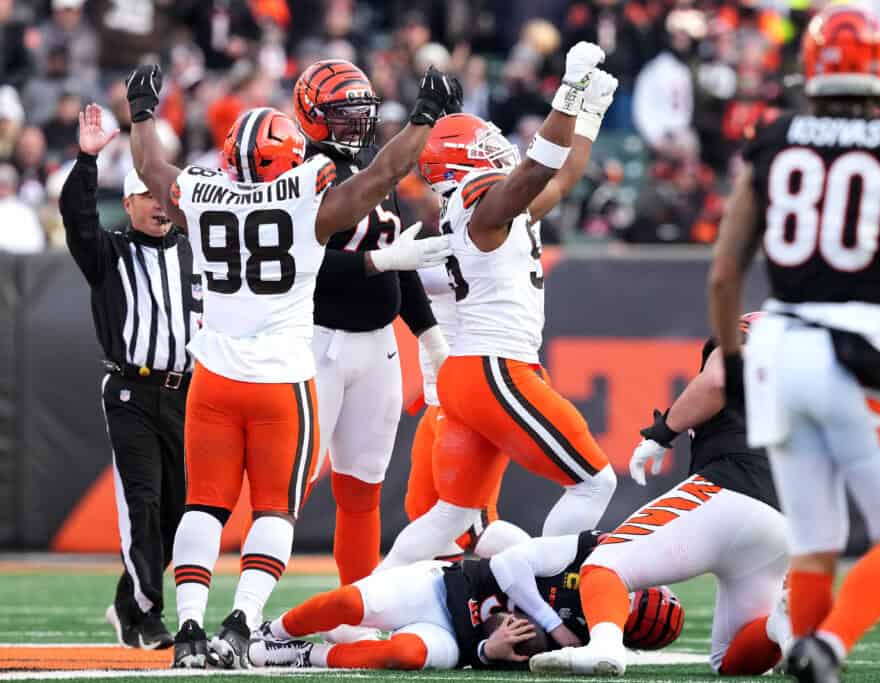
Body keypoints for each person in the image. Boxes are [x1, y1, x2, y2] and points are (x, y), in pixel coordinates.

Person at [123, 61, 457, 669]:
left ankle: (192, 628)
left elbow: (150, 168)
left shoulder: (199, 193)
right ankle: (243, 623)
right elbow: (388, 171)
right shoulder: (308, 197)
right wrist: (426, 117)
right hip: (283, 376)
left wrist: (142, 112)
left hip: (217, 376)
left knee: (205, 504)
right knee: (275, 507)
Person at [706, 7, 880, 681]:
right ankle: (830, 644)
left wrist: (732, 363)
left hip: (778, 347)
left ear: (811, 71)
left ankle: (807, 651)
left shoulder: (773, 136)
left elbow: (726, 274)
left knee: (812, 541)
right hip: (858, 344)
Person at [377, 43, 622, 571]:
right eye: (485, 143)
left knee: (452, 517)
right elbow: (538, 170)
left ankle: (365, 601)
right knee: (595, 481)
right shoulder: (484, 205)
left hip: (472, 373)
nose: (496, 147)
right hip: (495, 368)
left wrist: (590, 115)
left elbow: (559, 178)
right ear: (465, 157)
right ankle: (553, 591)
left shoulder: (490, 207)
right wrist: (570, 91)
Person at [530, 314, 790, 677]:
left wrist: (663, 432)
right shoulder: (817, 370)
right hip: (784, 516)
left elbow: (717, 379)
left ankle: (605, 648)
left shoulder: (749, 330)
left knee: (604, 565)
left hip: (731, 484)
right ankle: (779, 624)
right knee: (731, 661)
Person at [291, 59, 454, 585]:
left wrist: (431, 340)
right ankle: (246, 608)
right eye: (343, 114)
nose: (355, 124)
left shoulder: (371, 171)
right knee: (289, 484)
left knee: (363, 488)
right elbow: (303, 263)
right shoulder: (300, 176)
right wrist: (374, 264)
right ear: (313, 116)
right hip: (319, 342)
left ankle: (354, 609)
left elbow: (398, 259)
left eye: (361, 112)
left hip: (378, 346)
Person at [59, 103, 200, 650]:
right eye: (148, 197)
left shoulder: (194, 252)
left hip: (188, 395)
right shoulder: (110, 253)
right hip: (132, 391)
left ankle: (128, 605)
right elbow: (77, 219)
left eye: (165, 197)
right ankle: (150, 615)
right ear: (129, 202)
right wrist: (87, 159)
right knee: (142, 502)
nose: (160, 207)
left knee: (179, 513)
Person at [247, 531, 682, 671]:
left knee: (404, 653)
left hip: (457, 640)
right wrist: (553, 624)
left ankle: (304, 654)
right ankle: (272, 629)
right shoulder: (592, 554)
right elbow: (509, 565)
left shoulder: (587, 649)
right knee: (347, 603)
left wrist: (489, 652)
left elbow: (505, 660)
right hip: (444, 586)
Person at [402, 262, 532, 564]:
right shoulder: (454, 234)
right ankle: (451, 596)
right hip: (439, 399)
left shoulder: (478, 239)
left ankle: (548, 576)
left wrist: (383, 260)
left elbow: (422, 274)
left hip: (468, 397)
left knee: (475, 525)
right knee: (423, 510)